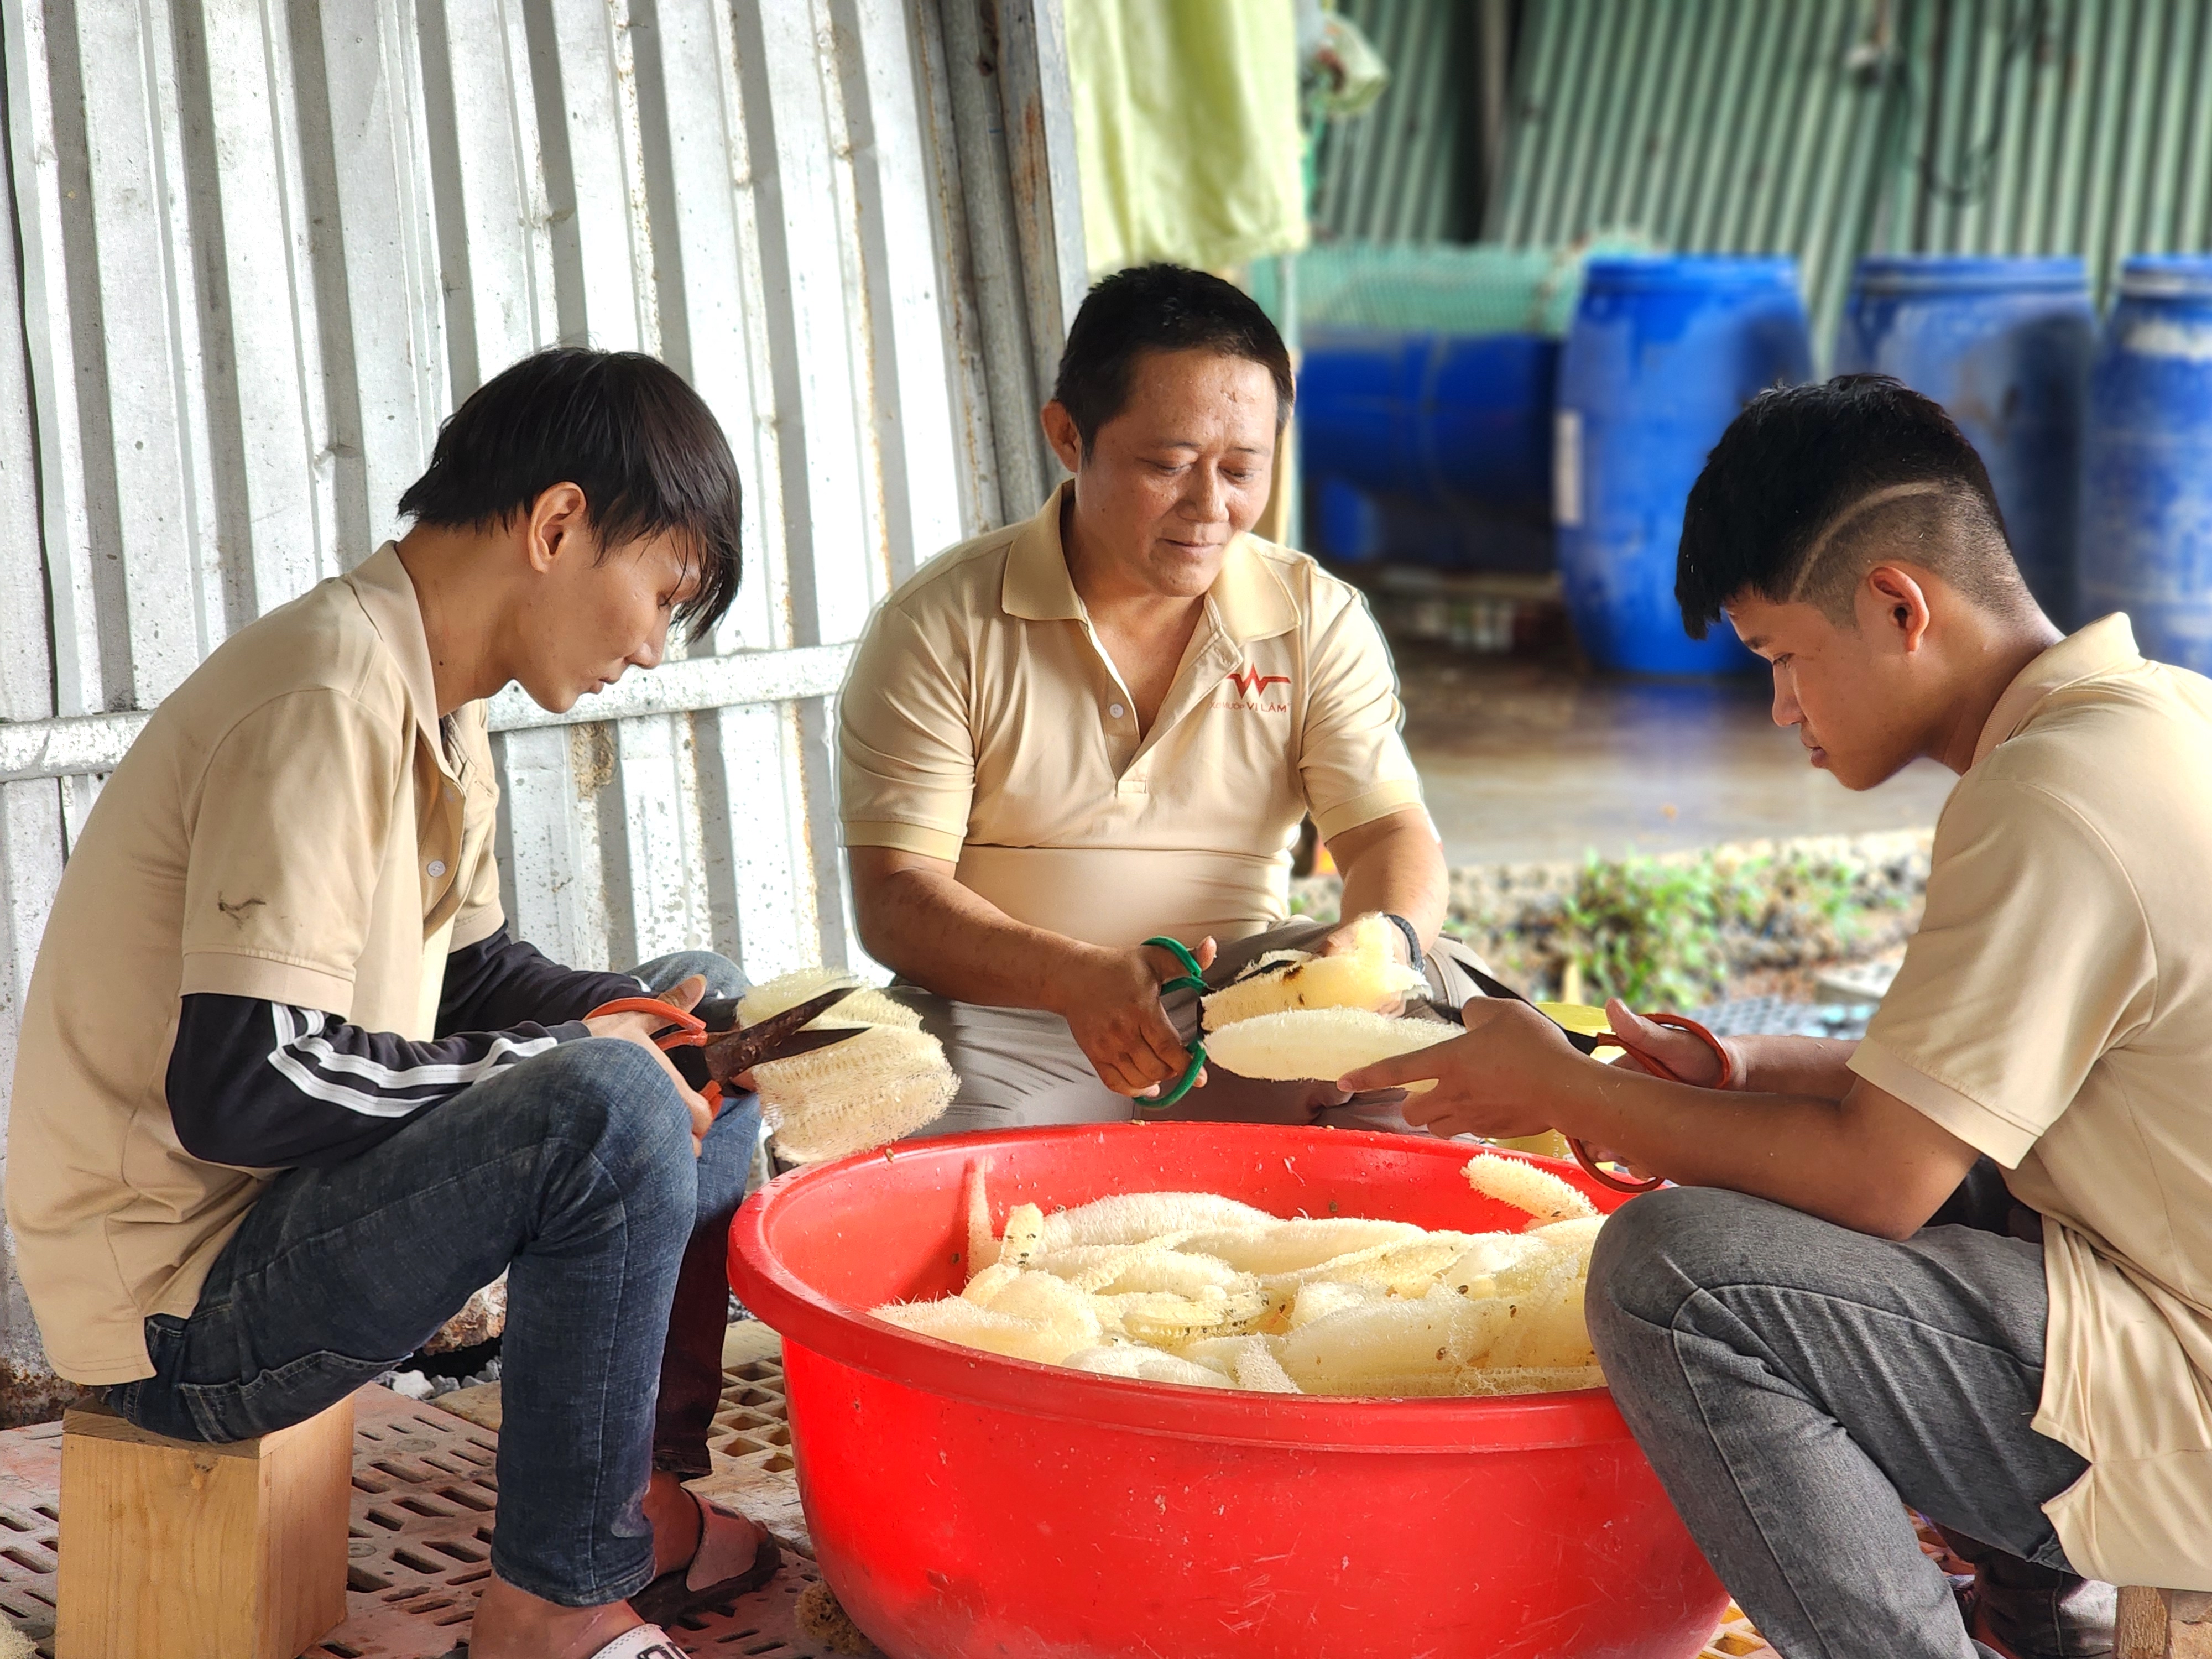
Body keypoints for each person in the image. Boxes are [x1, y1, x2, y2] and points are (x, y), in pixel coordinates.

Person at [1341, 374, 2212, 1657]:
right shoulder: (2152, 716)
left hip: (2184, 1390)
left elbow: (1877, 1181)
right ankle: (2039, 1623)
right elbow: (1976, 1080)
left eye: (1782, 660)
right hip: (2160, 1291)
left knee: (1677, 1276)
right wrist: (1735, 1068)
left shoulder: (2050, 801)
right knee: (1882, 1164)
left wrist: (1568, 1093)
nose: (1781, 713)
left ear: (1897, 605)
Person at [7, 348, 777, 1659]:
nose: (653, 648)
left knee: (703, 1015)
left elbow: (468, 974)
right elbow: (246, 1082)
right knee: (603, 1102)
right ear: (556, 526)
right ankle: (553, 1602)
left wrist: (649, 1016)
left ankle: (632, 1491)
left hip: (281, 1230)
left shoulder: (431, 693)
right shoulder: (321, 697)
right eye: (662, 593)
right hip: (180, 1315)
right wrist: (567, 1055)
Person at [839, 263, 1478, 1133]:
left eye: (1243, 469)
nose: (1210, 507)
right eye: (1169, 464)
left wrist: (1379, 947)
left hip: (1240, 1008)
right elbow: (896, 896)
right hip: (1004, 1018)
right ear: (1069, 437)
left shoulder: (1314, 617)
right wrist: (1071, 977)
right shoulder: (939, 623)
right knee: (921, 1170)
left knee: (1442, 1023)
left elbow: (1390, 835)